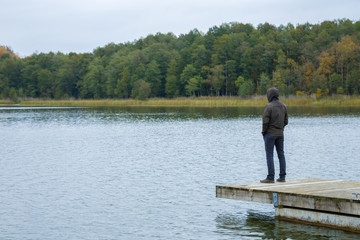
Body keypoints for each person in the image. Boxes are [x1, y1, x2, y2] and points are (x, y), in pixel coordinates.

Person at [260, 87, 288, 183]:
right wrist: (280, 128)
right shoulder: (284, 106)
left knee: (269, 155)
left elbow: (265, 122)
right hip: (280, 134)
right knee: (281, 155)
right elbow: (286, 121)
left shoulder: (269, 106)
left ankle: (271, 177)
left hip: (270, 134)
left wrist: (264, 132)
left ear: (270, 95)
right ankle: (282, 177)